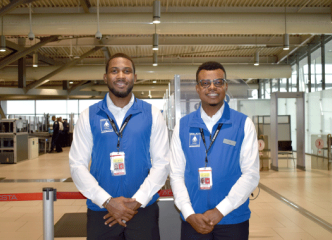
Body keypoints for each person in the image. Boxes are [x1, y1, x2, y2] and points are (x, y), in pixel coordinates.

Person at [69, 53, 170, 240]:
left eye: (127, 71)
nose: (121, 76)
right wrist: (107, 201)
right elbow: (77, 165)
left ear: (135, 77)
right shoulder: (89, 116)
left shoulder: (152, 114)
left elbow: (162, 163)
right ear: (105, 77)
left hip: (142, 210)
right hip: (102, 211)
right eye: (114, 71)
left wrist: (137, 201)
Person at [170, 61, 260, 240]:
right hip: (194, 220)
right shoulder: (182, 126)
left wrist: (220, 211)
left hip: (232, 219)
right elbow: (176, 174)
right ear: (197, 88)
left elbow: (250, 174)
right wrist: (188, 213)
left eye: (218, 82)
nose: (212, 87)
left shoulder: (243, 124)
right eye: (205, 83)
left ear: (225, 86)